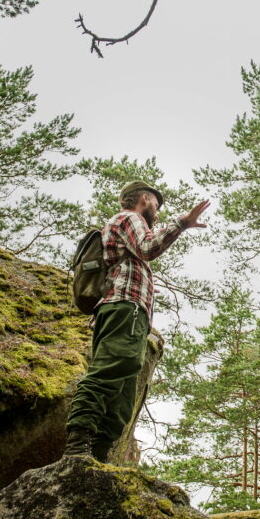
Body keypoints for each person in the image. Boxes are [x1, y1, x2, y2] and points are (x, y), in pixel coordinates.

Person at [63, 180, 210, 462]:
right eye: (156, 203)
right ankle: (77, 445)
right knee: (110, 371)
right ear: (144, 198)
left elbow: (135, 257)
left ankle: (97, 455)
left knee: (123, 393)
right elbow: (148, 247)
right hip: (124, 308)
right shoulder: (129, 218)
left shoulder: (123, 225)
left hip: (125, 310)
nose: (157, 210)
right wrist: (182, 223)